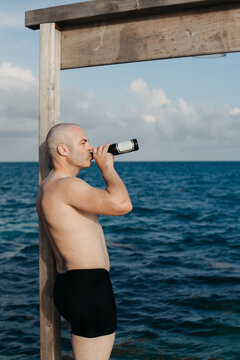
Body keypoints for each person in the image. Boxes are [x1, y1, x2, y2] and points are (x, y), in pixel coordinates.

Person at [36, 123, 133, 360]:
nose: (91, 147)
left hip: (75, 285)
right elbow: (122, 205)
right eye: (83, 142)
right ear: (63, 150)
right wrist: (107, 168)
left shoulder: (48, 186)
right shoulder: (66, 186)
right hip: (88, 287)